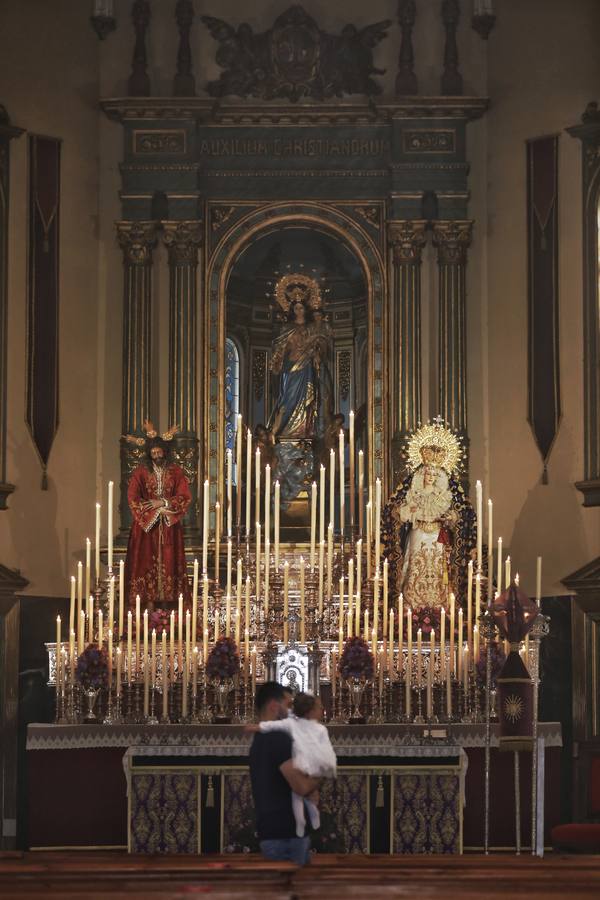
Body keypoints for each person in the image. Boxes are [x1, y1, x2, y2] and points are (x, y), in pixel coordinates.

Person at [248, 682, 321, 865]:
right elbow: (301, 786)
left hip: (271, 830)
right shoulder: (277, 738)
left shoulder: (261, 737)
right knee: (294, 890)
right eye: (288, 705)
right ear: (274, 705)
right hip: (287, 834)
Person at [247, 692, 336, 838]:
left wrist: (325, 764)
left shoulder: (320, 729)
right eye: (319, 707)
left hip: (311, 762)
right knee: (299, 794)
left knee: (306, 796)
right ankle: (301, 821)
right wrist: (258, 727)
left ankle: (311, 817)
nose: (322, 710)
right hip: (303, 762)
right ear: (310, 711)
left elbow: (325, 747)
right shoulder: (292, 724)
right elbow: (275, 725)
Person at [124, 426, 192, 608]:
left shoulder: (176, 472)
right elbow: (133, 498)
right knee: (145, 564)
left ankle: (169, 608)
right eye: (153, 452)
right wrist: (151, 512)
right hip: (146, 528)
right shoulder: (140, 472)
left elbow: (185, 496)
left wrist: (162, 503)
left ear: (165, 452)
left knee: (170, 563)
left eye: (159, 452)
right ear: (149, 454)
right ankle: (146, 606)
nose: (157, 455)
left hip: (169, 526)